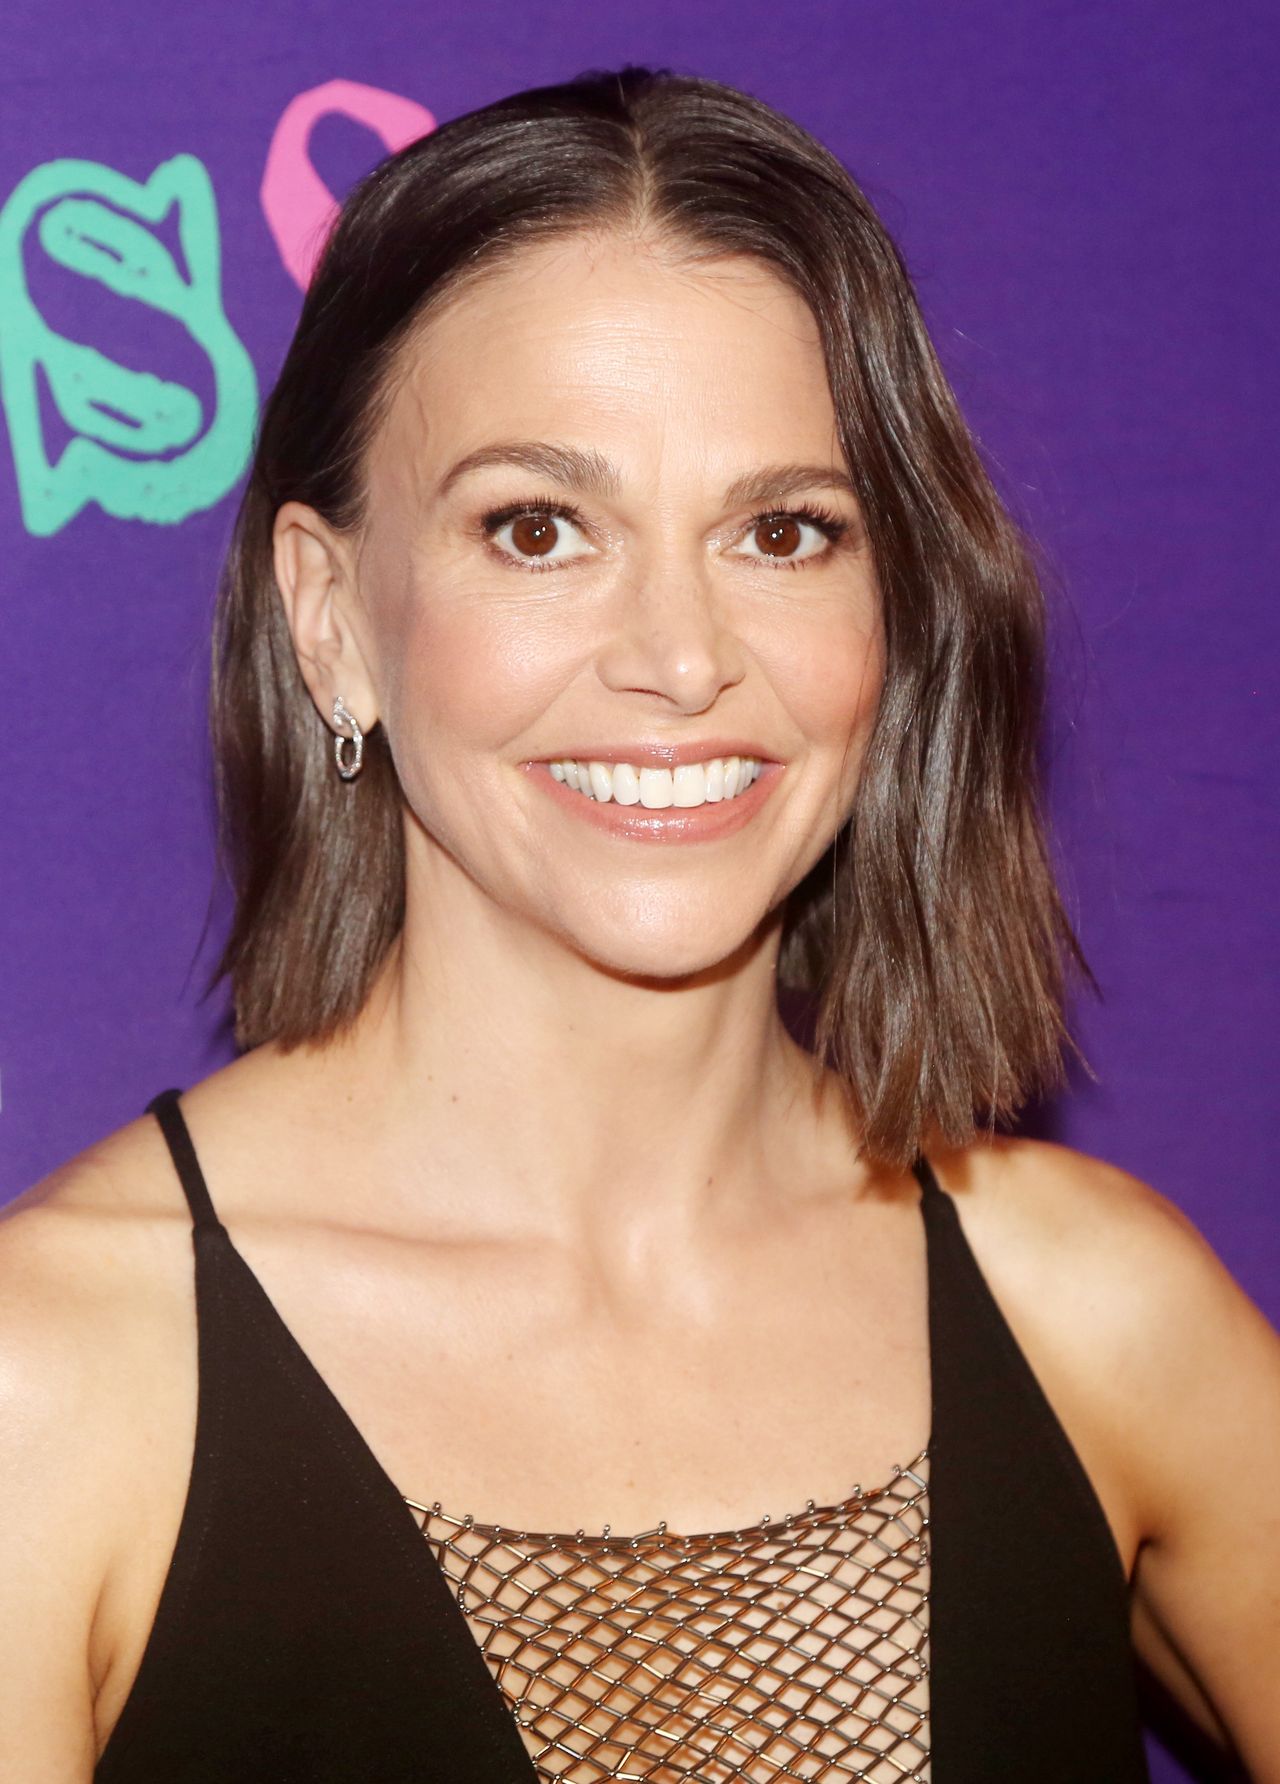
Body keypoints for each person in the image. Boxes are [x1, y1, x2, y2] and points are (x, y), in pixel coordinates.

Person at [2, 65, 1276, 1783]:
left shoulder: (1102, 1314)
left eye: (782, 531)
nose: (680, 657)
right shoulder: (57, 1389)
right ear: (332, 619)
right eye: (538, 529)